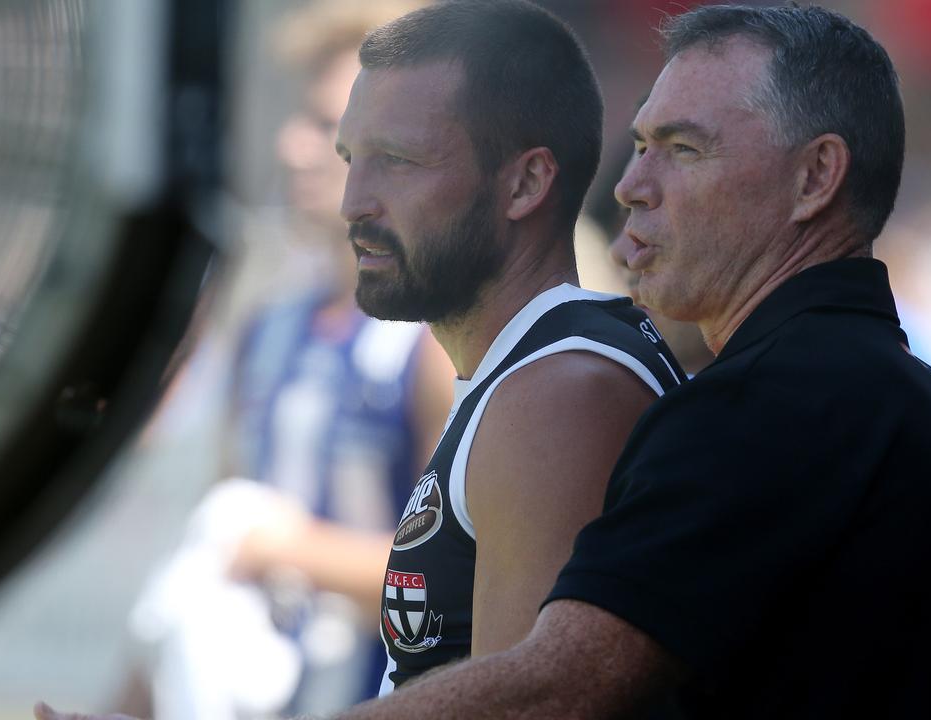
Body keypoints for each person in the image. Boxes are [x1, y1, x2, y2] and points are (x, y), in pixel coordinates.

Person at [324, 4, 931, 717]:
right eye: (641, 144)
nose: (630, 186)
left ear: (815, 177)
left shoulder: (773, 404)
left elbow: (558, 689)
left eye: (682, 148)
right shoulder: (903, 394)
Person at [35, 1, 687, 717]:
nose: (352, 199)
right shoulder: (284, 325)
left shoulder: (559, 384)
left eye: (397, 160)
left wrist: (294, 549)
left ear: (525, 183)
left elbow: (523, 696)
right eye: (349, 154)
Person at [112, 2, 452, 717]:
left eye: (327, 129)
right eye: (301, 119)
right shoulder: (269, 330)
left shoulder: (432, 344)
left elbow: (462, 581)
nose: (294, 148)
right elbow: (212, 565)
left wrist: (291, 551)